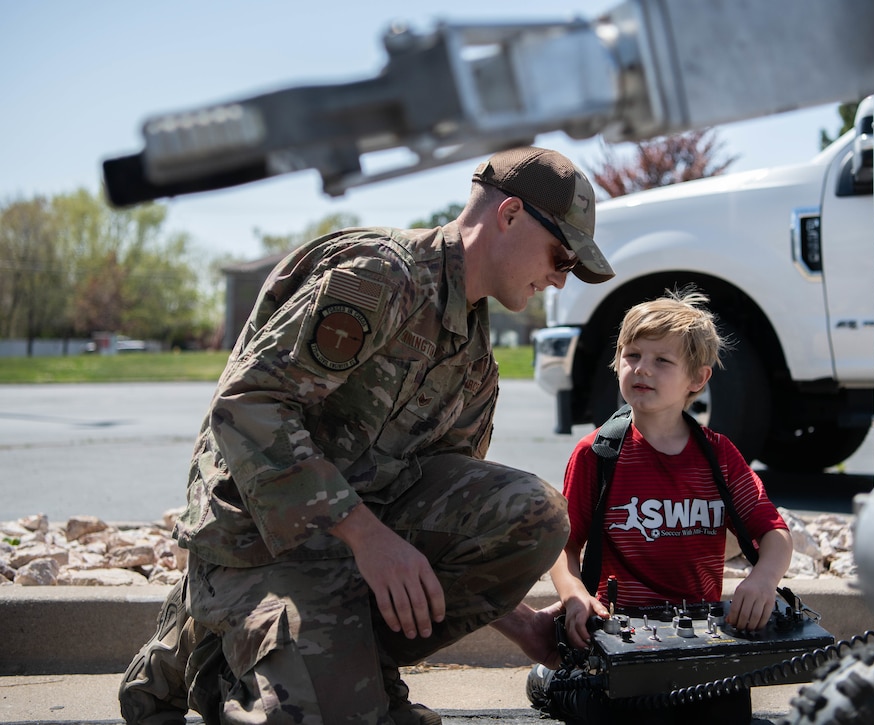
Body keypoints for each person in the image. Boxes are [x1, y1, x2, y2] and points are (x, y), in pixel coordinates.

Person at [118, 146, 615, 725]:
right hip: (258, 540)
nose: (559, 278)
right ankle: (209, 653)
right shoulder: (381, 277)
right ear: (508, 215)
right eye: (561, 255)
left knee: (534, 515)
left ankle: (348, 663)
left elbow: (432, 533)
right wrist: (366, 537)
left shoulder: (475, 363)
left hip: (351, 554)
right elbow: (247, 404)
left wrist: (524, 625)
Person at [530, 289, 793, 724]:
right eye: (632, 355)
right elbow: (564, 544)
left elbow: (773, 531)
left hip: (698, 640)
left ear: (698, 379)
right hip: (620, 637)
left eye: (662, 361)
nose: (642, 369)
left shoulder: (719, 455)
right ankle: (551, 679)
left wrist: (764, 580)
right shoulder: (597, 453)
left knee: (728, 716)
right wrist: (574, 593)